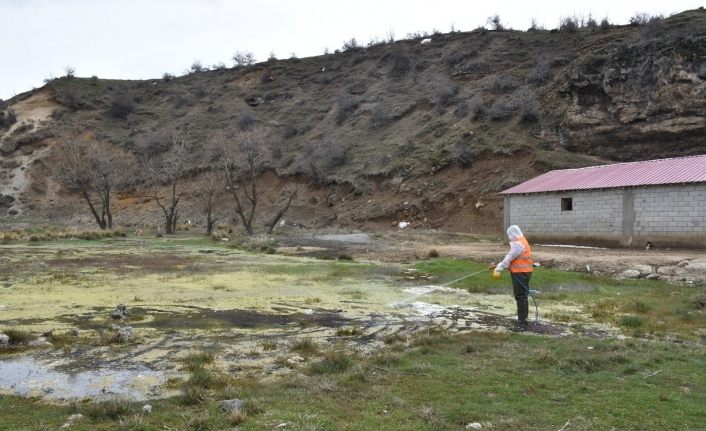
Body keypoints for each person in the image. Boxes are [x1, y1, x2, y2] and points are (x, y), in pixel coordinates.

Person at [493, 225, 533, 330]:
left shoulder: (518, 244)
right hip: (525, 272)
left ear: (513, 234)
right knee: (523, 296)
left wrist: (499, 267)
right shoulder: (523, 241)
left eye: (509, 235)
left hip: (520, 273)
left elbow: (510, 257)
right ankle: (524, 320)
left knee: (520, 297)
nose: (509, 237)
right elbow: (515, 258)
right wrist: (501, 264)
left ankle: (522, 324)